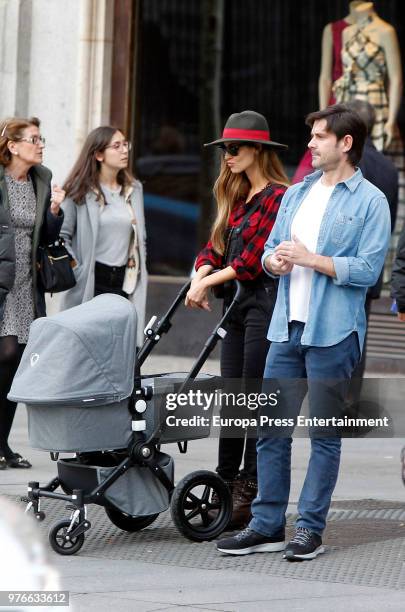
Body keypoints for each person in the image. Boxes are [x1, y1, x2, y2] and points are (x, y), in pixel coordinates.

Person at [216, 104, 391, 559]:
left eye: (319, 137)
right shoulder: (297, 193)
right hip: (285, 327)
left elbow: (370, 270)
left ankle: (310, 529)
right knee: (270, 430)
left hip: (333, 333)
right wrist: (274, 261)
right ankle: (266, 523)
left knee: (323, 436)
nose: (310, 144)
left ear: (345, 143)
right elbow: (273, 251)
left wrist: (311, 259)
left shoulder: (371, 200)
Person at [186, 110, 289, 528]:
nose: (227, 156)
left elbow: (250, 262)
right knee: (232, 396)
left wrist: (207, 284)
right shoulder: (236, 193)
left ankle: (249, 483)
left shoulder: (279, 197)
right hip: (236, 307)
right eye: (224, 149)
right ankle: (225, 479)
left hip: (262, 302)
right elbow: (215, 247)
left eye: (234, 149)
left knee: (250, 396)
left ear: (257, 151)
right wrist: (199, 275)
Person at [0, 116, 65, 470]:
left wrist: (55, 209)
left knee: (18, 364)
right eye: (34, 139)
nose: (41, 145)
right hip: (2, 282)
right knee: (6, 354)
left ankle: (3, 444)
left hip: (28, 283)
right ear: (13, 145)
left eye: (42, 139)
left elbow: (50, 234)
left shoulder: (42, 178)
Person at [60, 126, 147, 346]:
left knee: (121, 347)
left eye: (125, 144)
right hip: (92, 278)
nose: (124, 150)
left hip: (124, 281)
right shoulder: (78, 190)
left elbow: (140, 238)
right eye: (116, 146)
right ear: (98, 154)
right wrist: (77, 267)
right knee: (88, 347)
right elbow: (62, 236)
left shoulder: (133, 189)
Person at [345, 99, 398, 388]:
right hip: (371, 270)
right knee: (358, 339)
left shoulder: (346, 163)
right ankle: (349, 404)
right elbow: (388, 223)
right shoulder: (390, 169)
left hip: (337, 267)